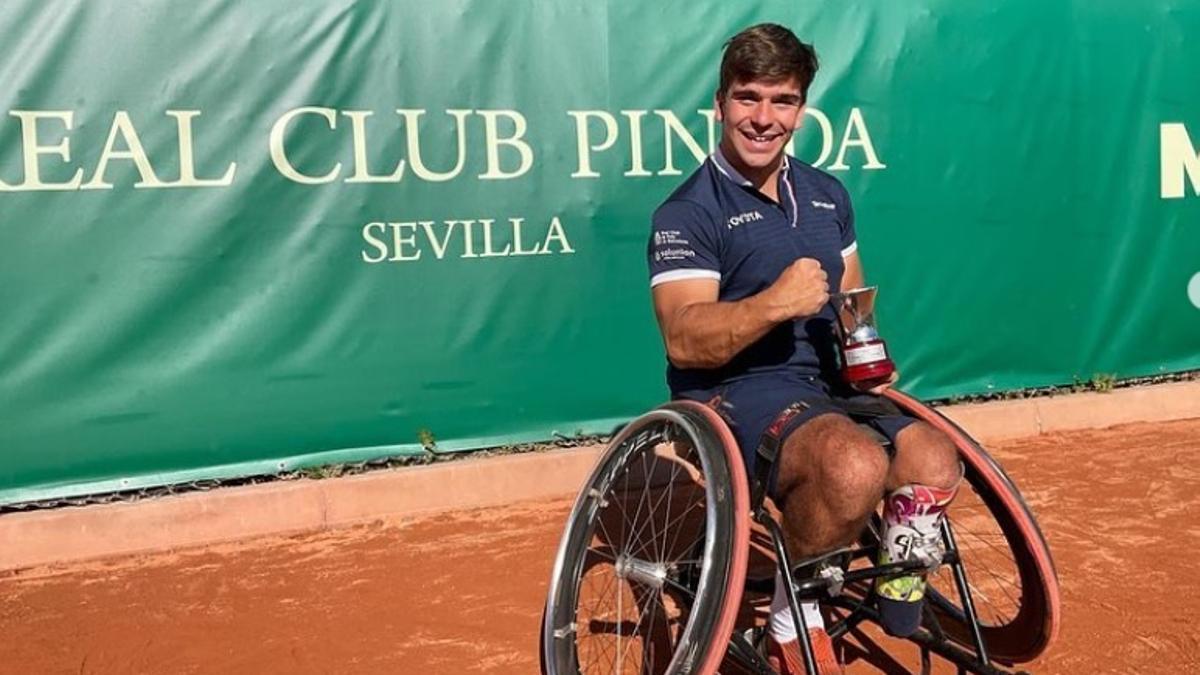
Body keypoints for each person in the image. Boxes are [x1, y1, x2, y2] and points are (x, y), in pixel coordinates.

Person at [646, 23, 963, 674]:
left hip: (825, 383)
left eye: (782, 100)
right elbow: (682, 336)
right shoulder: (686, 212)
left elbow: (850, 295)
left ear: (801, 108)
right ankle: (795, 617)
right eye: (748, 97)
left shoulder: (826, 193)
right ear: (720, 103)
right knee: (851, 467)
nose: (763, 118)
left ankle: (894, 577)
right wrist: (772, 304)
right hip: (736, 391)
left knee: (935, 455)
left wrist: (864, 343)